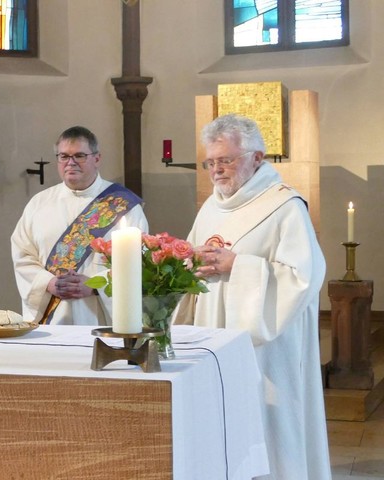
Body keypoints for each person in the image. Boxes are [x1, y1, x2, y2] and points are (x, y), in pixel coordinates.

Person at [183, 114, 330, 479]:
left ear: (256, 158)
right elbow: (192, 255)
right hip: (214, 338)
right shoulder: (211, 207)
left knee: (268, 427)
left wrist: (238, 266)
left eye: (226, 160)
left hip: (266, 348)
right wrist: (189, 263)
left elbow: (302, 278)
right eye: (211, 162)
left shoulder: (284, 206)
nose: (216, 170)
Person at [11, 126, 149, 325]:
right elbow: (22, 255)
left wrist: (95, 285)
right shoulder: (39, 204)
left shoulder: (122, 205)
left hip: (100, 319)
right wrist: (48, 283)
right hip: (52, 319)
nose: (71, 163)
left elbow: (139, 261)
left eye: (80, 156)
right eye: (64, 156)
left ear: (97, 158)